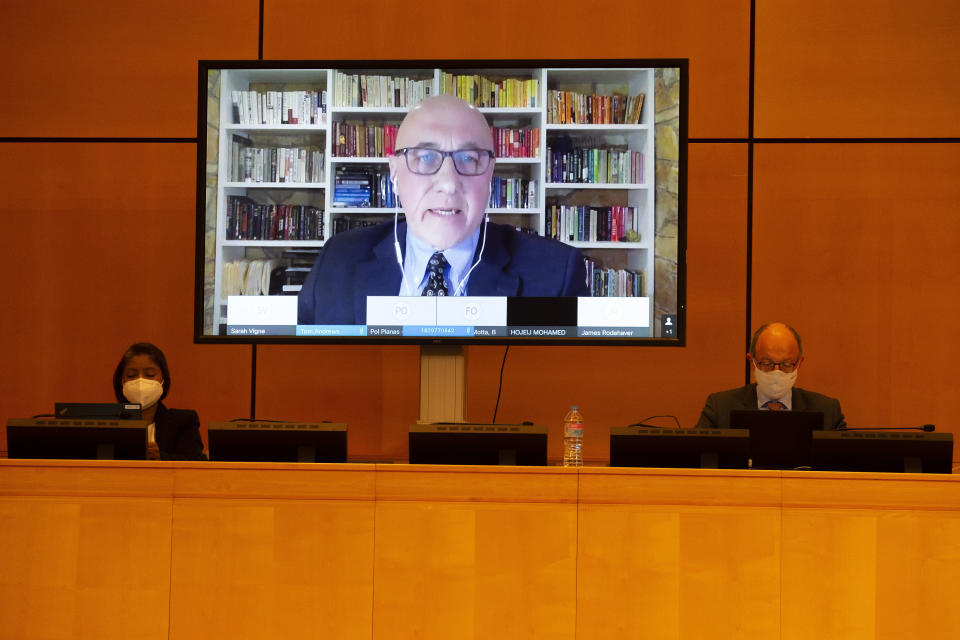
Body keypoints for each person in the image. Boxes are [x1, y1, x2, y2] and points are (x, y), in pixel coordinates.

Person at [298, 95, 589, 325]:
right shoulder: (337, 261)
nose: (449, 183)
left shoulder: (554, 275)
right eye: (425, 157)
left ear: (490, 175)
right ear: (395, 174)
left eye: (469, 159)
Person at [695, 322, 846, 430]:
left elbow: (848, 469)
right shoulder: (720, 408)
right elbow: (694, 462)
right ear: (751, 361)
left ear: (799, 363)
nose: (776, 371)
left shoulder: (827, 411)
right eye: (767, 363)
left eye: (786, 364)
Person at [112, 342, 206, 460]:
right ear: (121, 381)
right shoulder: (106, 424)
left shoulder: (183, 421)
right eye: (131, 375)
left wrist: (161, 457)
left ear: (163, 379)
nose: (140, 380)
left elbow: (197, 463)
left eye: (150, 374)